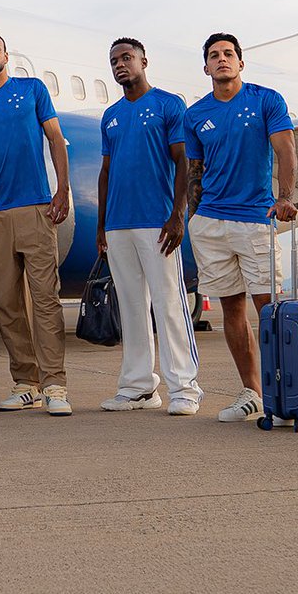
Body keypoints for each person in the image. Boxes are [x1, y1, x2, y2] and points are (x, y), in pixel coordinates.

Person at [0, 30, 73, 416]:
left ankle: (55, 383)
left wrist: (63, 190)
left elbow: (56, 140)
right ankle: (27, 382)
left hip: (36, 209)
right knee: (5, 302)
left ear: (7, 55)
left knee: (45, 299)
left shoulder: (32, 90)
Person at [184, 34, 298, 423]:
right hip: (211, 222)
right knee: (230, 310)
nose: (222, 60)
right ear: (206, 68)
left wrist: (284, 196)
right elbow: (194, 173)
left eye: (228, 54)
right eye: (214, 56)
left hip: (255, 219)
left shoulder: (266, 100)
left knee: (270, 311)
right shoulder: (196, 114)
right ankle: (252, 391)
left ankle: (286, 391)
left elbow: (286, 150)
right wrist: (194, 218)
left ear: (240, 62)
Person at [96, 38, 202, 415]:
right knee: (131, 307)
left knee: (169, 303)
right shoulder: (110, 115)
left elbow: (183, 162)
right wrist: (101, 227)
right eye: (114, 61)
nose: (120, 65)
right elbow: (106, 171)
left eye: (126, 58)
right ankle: (138, 387)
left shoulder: (168, 105)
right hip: (118, 225)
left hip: (157, 222)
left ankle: (184, 388)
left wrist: (178, 214)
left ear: (144, 61)